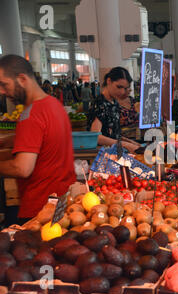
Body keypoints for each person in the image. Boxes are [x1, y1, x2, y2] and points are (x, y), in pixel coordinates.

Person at [0, 55, 76, 225]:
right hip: (62, 204)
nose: (2, 92)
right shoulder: (54, 105)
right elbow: (46, 139)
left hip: (38, 213)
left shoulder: (30, 115)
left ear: (22, 79)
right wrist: (9, 140)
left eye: (4, 85)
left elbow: (22, 168)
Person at [87, 67, 141, 153]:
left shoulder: (114, 102)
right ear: (109, 81)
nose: (122, 92)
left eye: (125, 88)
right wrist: (125, 144)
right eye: (119, 87)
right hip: (103, 156)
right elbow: (96, 136)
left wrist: (130, 142)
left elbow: (113, 135)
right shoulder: (100, 103)